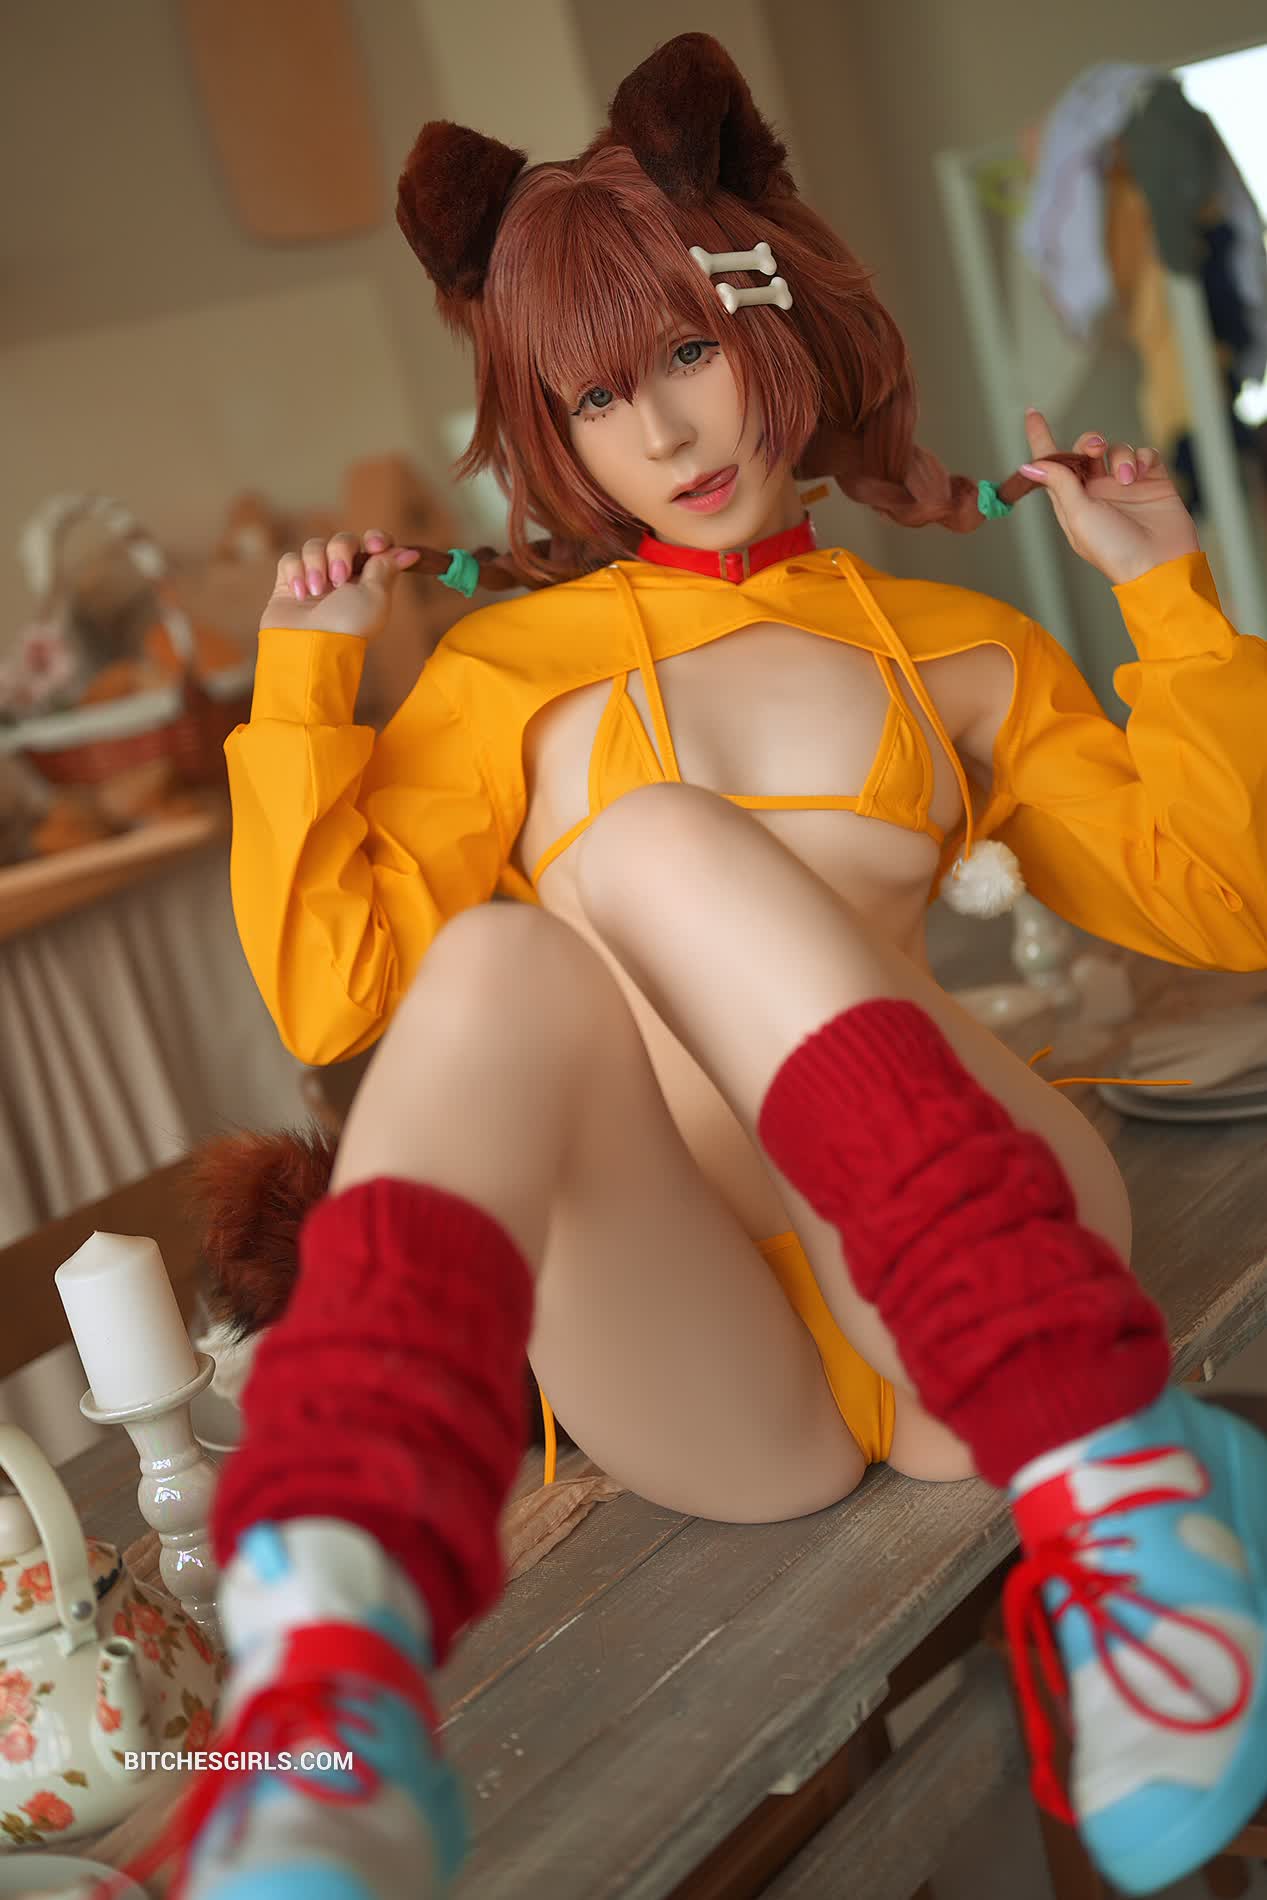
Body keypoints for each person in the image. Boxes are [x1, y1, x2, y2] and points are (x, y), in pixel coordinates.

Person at [142, 33, 1267, 1900]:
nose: (666, 435)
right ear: (553, 435)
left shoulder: (953, 647)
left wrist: (1167, 590)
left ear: (779, 315)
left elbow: (1230, 905)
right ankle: (326, 1672)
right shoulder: (501, 679)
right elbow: (340, 999)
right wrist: (306, 686)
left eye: (685, 351)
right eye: (598, 397)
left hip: (988, 1294)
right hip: (714, 1368)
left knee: (654, 838)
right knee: (496, 964)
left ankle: (1123, 1490)